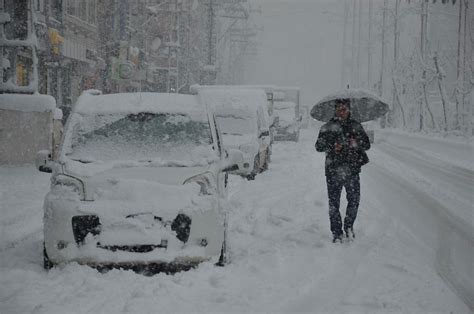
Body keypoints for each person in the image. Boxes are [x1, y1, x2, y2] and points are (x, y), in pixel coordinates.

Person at [315, 99, 371, 243]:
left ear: (349, 110)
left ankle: (349, 227)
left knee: (354, 200)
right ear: (335, 110)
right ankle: (336, 232)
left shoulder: (355, 126)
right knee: (334, 203)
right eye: (339, 109)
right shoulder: (327, 127)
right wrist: (333, 146)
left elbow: (367, 144)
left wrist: (356, 142)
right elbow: (318, 146)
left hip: (352, 170)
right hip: (333, 170)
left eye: (345, 109)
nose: (342, 111)